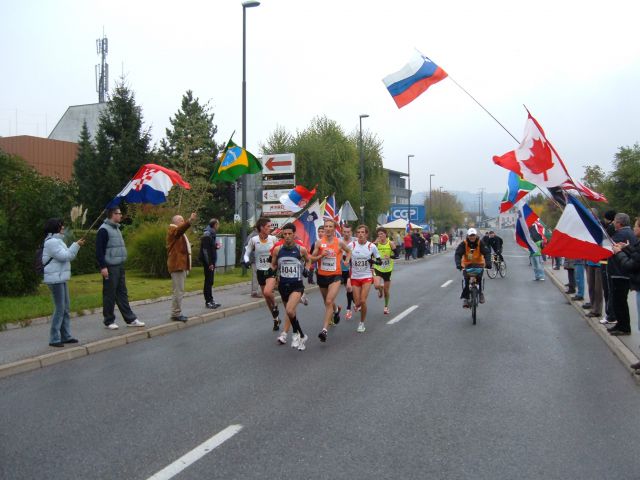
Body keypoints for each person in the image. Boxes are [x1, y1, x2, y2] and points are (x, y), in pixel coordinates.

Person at [96, 207, 145, 329]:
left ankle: (130, 319)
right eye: (119, 213)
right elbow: (99, 251)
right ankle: (109, 320)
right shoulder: (103, 230)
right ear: (113, 214)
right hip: (110, 266)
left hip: (119, 265)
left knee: (122, 293)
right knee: (109, 294)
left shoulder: (116, 228)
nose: (121, 216)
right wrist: (103, 267)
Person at [42, 218, 85, 347]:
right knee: (60, 308)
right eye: (61, 226)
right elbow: (66, 257)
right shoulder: (52, 242)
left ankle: (66, 336)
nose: (63, 228)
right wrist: (76, 245)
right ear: (55, 228)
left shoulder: (58, 241)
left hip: (60, 278)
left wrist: (75, 245)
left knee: (65, 307)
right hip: (55, 279)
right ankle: (54, 338)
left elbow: (67, 255)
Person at [309, 219, 351, 342]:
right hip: (322, 276)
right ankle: (337, 309)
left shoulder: (340, 243)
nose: (327, 228)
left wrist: (347, 260)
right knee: (327, 302)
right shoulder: (318, 243)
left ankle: (324, 330)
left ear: (334, 229)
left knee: (328, 301)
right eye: (326, 226)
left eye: (330, 226)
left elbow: (349, 251)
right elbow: (311, 259)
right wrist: (321, 256)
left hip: (335, 276)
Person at [272, 223, 312, 351]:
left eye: (290, 234)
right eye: (285, 234)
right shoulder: (278, 250)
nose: (287, 236)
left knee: (289, 310)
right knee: (291, 313)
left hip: (297, 285)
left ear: (294, 235)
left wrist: (306, 269)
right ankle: (301, 335)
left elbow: (309, 260)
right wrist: (271, 272)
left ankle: (295, 334)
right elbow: (273, 265)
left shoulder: (301, 250)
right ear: (282, 235)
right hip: (283, 286)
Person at [611, 215, 640, 372]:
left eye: (636, 226)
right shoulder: (635, 241)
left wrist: (618, 252)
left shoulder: (626, 235)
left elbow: (631, 264)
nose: (634, 228)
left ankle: (622, 326)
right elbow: (635, 255)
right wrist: (626, 248)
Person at [243, 217, 281, 331]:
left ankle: (275, 306)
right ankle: (276, 319)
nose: (270, 228)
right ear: (261, 228)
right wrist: (246, 261)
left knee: (267, 292)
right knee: (266, 297)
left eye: (270, 226)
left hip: (271, 270)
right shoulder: (254, 240)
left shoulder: (273, 239)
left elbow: (280, 250)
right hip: (260, 271)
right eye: (268, 226)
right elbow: (247, 253)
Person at [606, 213, 637, 336]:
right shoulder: (629, 233)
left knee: (619, 301)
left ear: (619, 223)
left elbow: (608, 245)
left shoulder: (621, 234)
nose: (613, 223)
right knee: (620, 301)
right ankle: (621, 324)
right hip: (623, 271)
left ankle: (624, 327)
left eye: (614, 221)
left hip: (619, 271)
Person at [349, 225, 382, 333]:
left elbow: (379, 261)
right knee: (357, 302)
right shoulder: (352, 245)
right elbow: (345, 257)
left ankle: (361, 323)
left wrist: (373, 262)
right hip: (355, 277)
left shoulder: (371, 246)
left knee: (363, 301)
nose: (360, 234)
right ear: (356, 234)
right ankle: (357, 304)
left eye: (363, 232)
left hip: (367, 276)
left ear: (366, 234)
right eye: (358, 232)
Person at [167, 212, 197, 322]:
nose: (183, 222)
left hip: (180, 265)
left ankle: (176, 312)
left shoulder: (176, 231)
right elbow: (179, 231)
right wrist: (190, 220)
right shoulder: (173, 229)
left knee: (179, 290)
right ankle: (175, 313)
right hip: (177, 265)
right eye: (181, 220)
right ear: (176, 222)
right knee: (178, 290)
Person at [454, 228, 491, 307]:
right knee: (466, 280)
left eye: (473, 235)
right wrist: (458, 264)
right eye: (470, 235)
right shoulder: (464, 244)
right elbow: (458, 254)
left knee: (479, 278)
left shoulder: (480, 243)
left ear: (476, 235)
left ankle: (480, 293)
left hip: (479, 264)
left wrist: (488, 263)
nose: (472, 237)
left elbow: (487, 253)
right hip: (467, 265)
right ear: (468, 236)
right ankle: (466, 298)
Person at [199, 218, 222, 309]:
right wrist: (210, 263)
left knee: (210, 281)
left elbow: (210, 247)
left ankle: (211, 299)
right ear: (215, 225)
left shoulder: (211, 234)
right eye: (218, 224)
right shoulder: (207, 234)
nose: (218, 226)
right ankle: (208, 301)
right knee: (208, 281)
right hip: (208, 262)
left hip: (211, 261)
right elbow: (205, 251)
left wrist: (216, 246)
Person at [373, 227, 396, 314]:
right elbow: (369, 253)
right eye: (379, 235)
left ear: (385, 234)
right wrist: (374, 244)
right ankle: (380, 289)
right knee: (376, 285)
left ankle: (386, 307)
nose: (380, 236)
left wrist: (389, 257)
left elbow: (396, 255)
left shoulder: (390, 243)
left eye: (382, 234)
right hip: (378, 267)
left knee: (386, 291)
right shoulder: (376, 244)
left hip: (387, 269)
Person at [340, 225, 355, 320]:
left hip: (351, 268)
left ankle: (348, 309)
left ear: (351, 232)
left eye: (348, 232)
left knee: (349, 288)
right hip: (340, 269)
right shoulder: (338, 241)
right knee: (349, 290)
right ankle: (355, 303)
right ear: (342, 232)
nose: (346, 233)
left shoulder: (355, 241)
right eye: (344, 231)